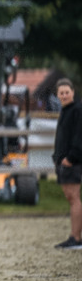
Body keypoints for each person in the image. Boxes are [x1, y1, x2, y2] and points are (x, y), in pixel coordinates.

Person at [53, 77, 82, 249]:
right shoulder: (65, 110)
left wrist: (71, 157)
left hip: (73, 161)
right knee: (70, 197)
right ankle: (75, 235)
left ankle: (76, 237)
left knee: (74, 197)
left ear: (73, 92)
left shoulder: (77, 110)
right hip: (64, 162)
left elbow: (79, 136)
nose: (64, 95)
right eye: (61, 93)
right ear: (57, 95)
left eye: (67, 92)